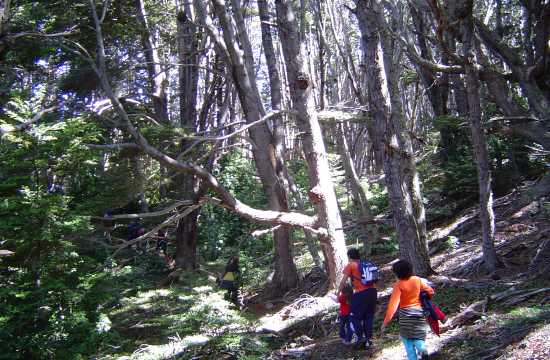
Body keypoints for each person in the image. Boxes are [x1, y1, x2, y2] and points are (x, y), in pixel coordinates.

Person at [380, 260, 434, 360]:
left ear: (397, 273)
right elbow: (430, 291)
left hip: (405, 315)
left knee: (407, 339)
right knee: (418, 336)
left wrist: (386, 322)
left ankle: (413, 357)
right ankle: (422, 348)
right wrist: (426, 297)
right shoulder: (417, 280)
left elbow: (393, 306)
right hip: (419, 312)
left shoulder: (398, 285)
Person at [337, 248, 377, 350]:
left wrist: (338, 292)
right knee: (369, 316)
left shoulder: (351, 265)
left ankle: (360, 338)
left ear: (349, 256)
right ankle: (368, 340)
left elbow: (343, 281)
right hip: (373, 292)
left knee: (354, 317)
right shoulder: (366, 264)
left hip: (361, 293)